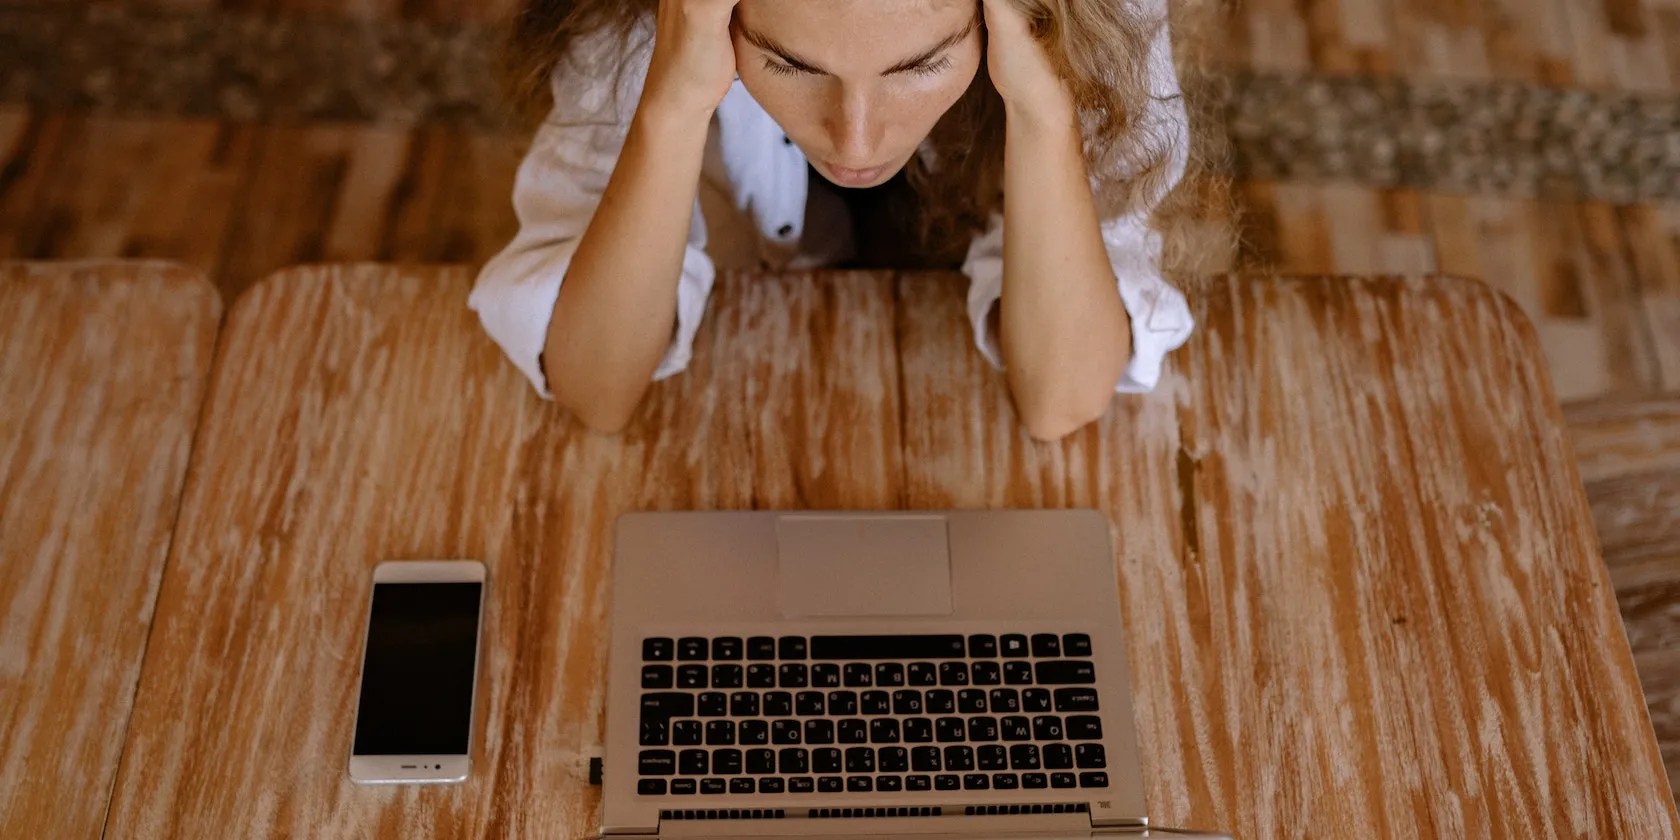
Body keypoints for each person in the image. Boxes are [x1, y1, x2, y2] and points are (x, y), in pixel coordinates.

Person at [471, 0, 1194, 440]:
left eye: (920, 65)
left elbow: (1061, 401)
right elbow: (596, 392)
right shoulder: (632, 21)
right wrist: (670, 108)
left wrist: (1043, 112)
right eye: (790, 64)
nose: (856, 141)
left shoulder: (1100, 16)